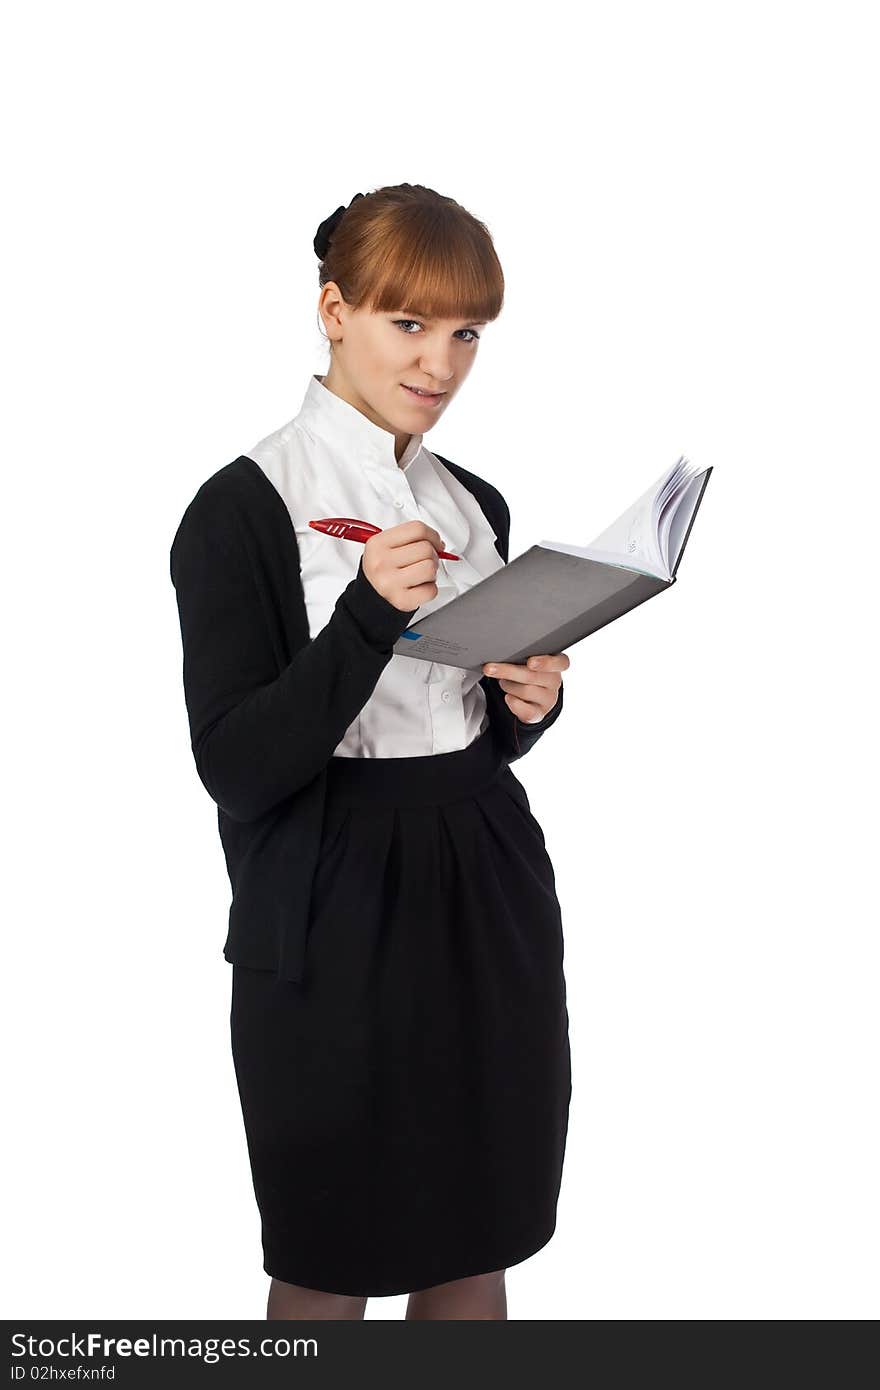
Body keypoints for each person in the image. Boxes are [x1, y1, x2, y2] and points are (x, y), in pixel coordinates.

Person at [169, 183, 572, 1320]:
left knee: (475, 1231)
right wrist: (362, 618)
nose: (439, 361)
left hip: (483, 877)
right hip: (327, 893)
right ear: (333, 309)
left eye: (465, 333)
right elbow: (237, 767)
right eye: (408, 323)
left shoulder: (471, 499)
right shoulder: (240, 509)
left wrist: (524, 705)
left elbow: (469, 734)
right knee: (329, 1244)